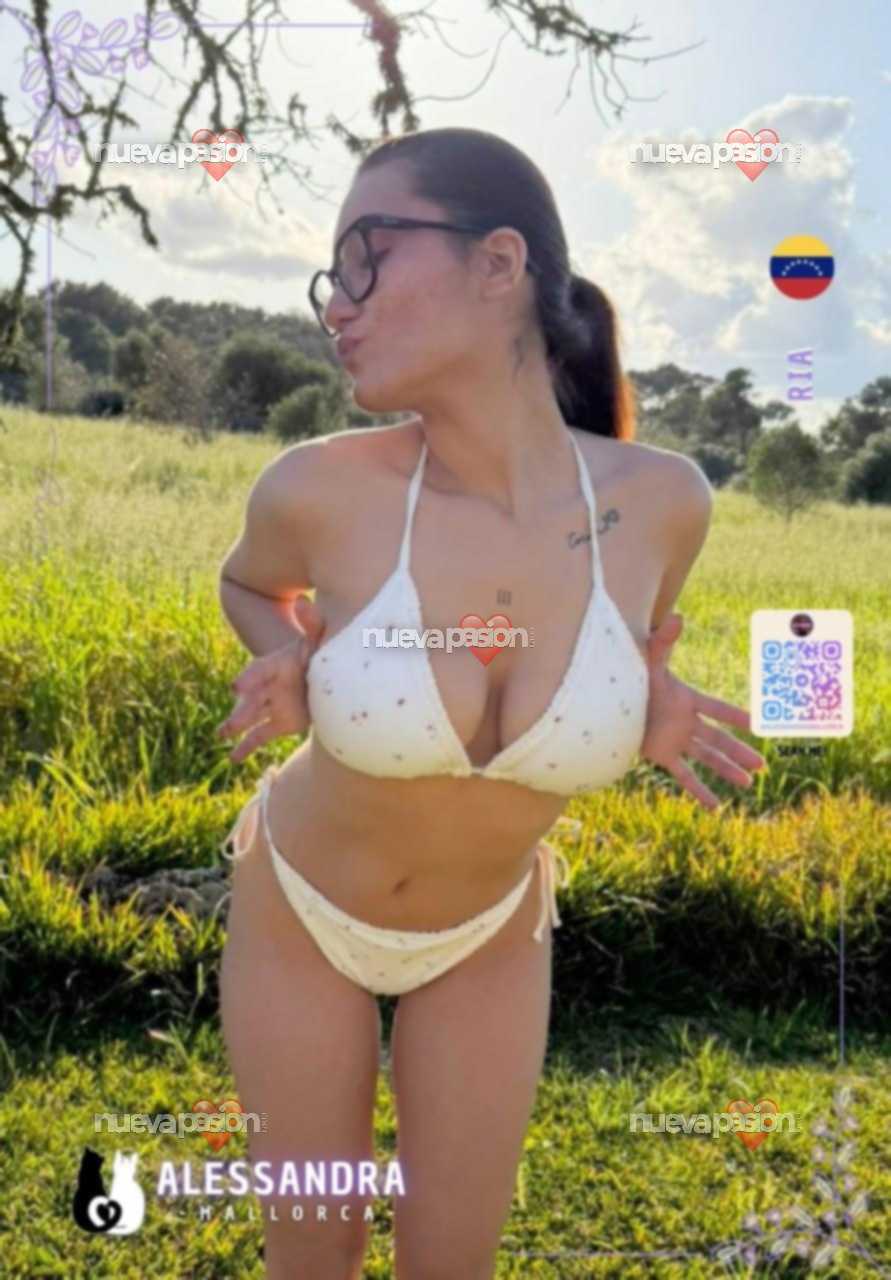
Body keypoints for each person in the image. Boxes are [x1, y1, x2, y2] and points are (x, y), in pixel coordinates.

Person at [216, 127, 766, 1280]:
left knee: (452, 1262)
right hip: (301, 907)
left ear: (499, 262)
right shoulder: (317, 487)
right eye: (331, 276)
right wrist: (291, 659)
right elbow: (249, 583)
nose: (337, 304)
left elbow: (621, 654)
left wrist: (643, 706)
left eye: (367, 256)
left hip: (491, 932)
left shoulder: (664, 503)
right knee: (314, 1247)